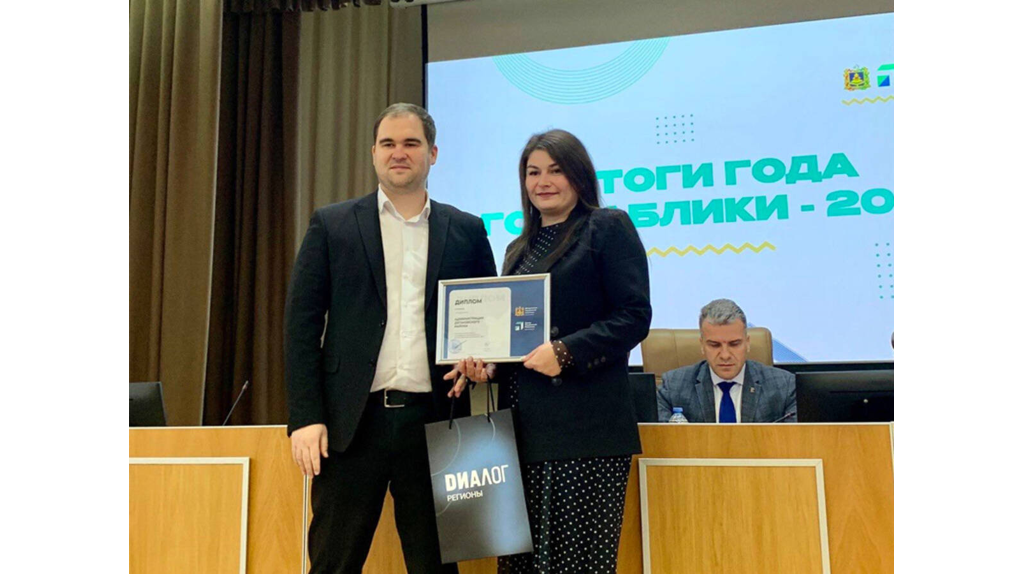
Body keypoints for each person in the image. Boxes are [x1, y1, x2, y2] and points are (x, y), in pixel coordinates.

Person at [285, 103, 497, 574]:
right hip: (350, 426)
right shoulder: (332, 224)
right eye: (388, 143)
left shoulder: (466, 230)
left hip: (436, 423)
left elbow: (487, 322)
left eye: (411, 143)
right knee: (333, 563)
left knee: (435, 566)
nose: (398, 153)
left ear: (433, 154)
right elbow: (301, 326)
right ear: (373, 153)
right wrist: (305, 416)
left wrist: (484, 362)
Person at [447, 129, 651, 573]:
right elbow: (515, 341)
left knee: (575, 564)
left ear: (579, 175)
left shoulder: (606, 227)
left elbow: (634, 316)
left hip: (584, 431)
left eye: (555, 171)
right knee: (519, 566)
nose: (543, 182)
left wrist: (566, 351)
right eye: (533, 172)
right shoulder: (517, 249)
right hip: (520, 433)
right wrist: (488, 366)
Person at [656, 299, 797, 423]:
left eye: (734, 344)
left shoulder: (784, 386)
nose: (725, 355)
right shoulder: (673, 387)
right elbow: (662, 441)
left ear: (747, 343)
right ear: (702, 345)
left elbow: (796, 441)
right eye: (714, 345)